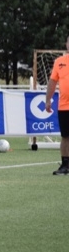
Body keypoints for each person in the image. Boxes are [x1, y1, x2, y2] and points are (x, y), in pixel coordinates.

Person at [45, 35, 69, 175]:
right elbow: (53, 81)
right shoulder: (59, 62)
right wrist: (48, 100)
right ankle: (65, 165)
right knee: (65, 136)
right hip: (64, 106)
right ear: (66, 44)